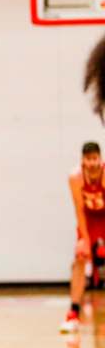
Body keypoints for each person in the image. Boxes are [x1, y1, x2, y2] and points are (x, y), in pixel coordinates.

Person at [61, 142, 105, 333]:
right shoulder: (75, 177)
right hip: (88, 220)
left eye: (96, 158)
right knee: (80, 257)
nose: (93, 163)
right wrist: (86, 241)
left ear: (100, 159)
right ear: (83, 161)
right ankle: (73, 312)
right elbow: (79, 210)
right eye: (89, 159)